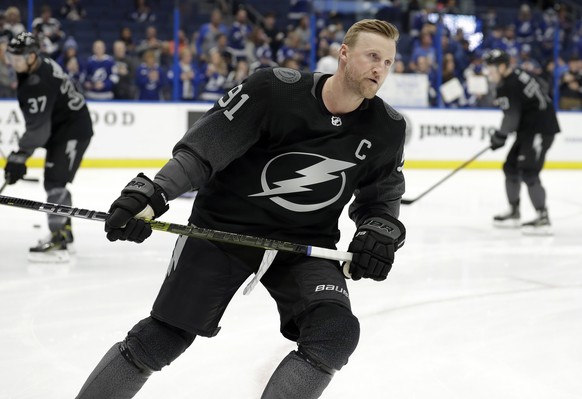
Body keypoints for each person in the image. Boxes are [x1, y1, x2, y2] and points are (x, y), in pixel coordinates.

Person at [75, 19, 406, 399]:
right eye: (372, 56)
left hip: (304, 244)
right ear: (344, 54)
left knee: (335, 333)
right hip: (223, 231)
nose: (380, 68)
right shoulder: (273, 90)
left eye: (389, 62)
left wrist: (377, 233)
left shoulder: (387, 127)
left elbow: (381, 200)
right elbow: (203, 152)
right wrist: (153, 195)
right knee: (162, 338)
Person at [3, 32, 93, 262]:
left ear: (33, 56)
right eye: (12, 57)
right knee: (56, 181)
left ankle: (59, 237)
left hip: (72, 130)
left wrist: (19, 157)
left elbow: (38, 131)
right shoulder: (39, 66)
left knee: (55, 181)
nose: (14, 63)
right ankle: (64, 232)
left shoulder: (36, 83)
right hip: (62, 128)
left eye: (19, 58)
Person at [483, 49, 560, 235]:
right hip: (529, 130)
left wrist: (500, 136)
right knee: (510, 167)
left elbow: (511, 118)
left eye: (491, 68)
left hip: (540, 130)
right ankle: (514, 211)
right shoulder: (519, 74)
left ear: (502, 67)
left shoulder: (507, 85)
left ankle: (543, 216)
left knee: (529, 171)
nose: (488, 72)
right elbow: (542, 86)